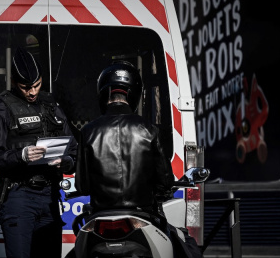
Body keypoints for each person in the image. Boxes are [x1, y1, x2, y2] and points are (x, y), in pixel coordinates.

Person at [74, 60, 202, 258]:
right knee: (187, 244)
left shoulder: (87, 131)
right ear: (133, 95)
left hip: (99, 218)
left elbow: (82, 186)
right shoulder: (148, 129)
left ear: (103, 93)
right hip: (142, 216)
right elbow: (165, 181)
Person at [0, 47, 77, 258]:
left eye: (37, 85)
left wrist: (66, 162)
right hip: (19, 197)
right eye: (26, 87)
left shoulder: (52, 105)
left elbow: (74, 151)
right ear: (15, 82)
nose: (32, 92)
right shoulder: (1, 109)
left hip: (50, 196)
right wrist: (21, 156)